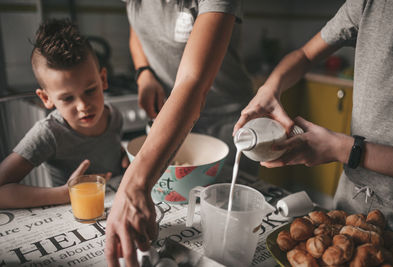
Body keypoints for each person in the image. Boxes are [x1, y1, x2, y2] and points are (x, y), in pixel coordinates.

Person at [105, 0, 254, 265]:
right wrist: (144, 73)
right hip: (171, 116)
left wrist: (133, 185)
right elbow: (136, 26)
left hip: (227, 121)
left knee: (227, 238)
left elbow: (193, 82)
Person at [234, 0, 393, 235]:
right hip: (354, 201)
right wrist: (270, 88)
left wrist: (343, 149)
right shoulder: (369, 4)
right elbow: (305, 55)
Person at [0, 18, 128, 209]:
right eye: (68, 99)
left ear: (103, 79)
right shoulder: (48, 134)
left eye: (90, 90)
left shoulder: (113, 115)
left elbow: (109, 148)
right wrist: (65, 193)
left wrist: (123, 157)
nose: (83, 106)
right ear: (46, 98)